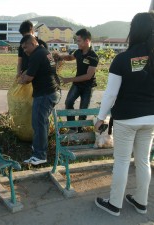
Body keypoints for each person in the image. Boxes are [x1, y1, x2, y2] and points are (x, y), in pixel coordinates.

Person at [94, 12, 154, 216]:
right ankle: (141, 202)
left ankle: (114, 204)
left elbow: (111, 94)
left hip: (127, 119)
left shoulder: (123, 59)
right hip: (151, 118)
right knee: (143, 160)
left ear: (134, 30)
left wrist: (100, 117)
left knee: (121, 161)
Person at [18, 35, 61, 165]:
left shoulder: (36, 55)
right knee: (43, 123)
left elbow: (28, 77)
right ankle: (40, 147)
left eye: (25, 47)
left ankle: (39, 155)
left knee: (38, 123)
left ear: (32, 43)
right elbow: (52, 68)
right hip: (53, 92)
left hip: (44, 94)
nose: (24, 51)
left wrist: (21, 80)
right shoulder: (46, 52)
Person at [55, 28, 99, 133]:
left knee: (82, 110)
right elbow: (70, 57)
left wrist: (68, 79)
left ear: (87, 41)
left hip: (88, 86)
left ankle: (79, 131)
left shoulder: (93, 56)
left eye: (79, 41)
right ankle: (72, 128)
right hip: (77, 84)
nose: (77, 43)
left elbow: (88, 76)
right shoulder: (78, 52)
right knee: (68, 102)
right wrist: (60, 57)